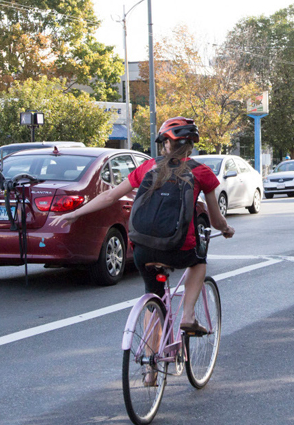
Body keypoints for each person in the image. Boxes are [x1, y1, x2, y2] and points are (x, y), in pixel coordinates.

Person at [48, 117, 234, 335]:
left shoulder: (147, 167)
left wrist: (75, 214)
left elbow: (110, 196)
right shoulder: (201, 172)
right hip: (179, 249)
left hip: (141, 248)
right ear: (191, 146)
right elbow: (215, 220)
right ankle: (188, 316)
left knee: (154, 296)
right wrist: (225, 229)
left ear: (166, 144)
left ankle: (150, 366)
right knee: (199, 263)